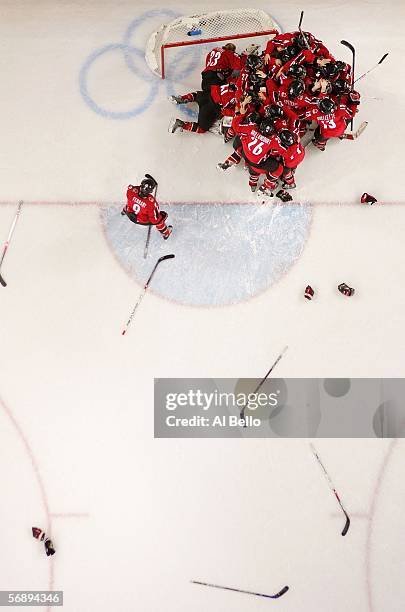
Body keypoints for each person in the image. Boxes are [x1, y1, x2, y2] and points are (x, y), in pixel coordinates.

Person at [122, 175, 172, 239]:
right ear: (151, 191)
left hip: (129, 214)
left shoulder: (131, 191)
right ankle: (165, 233)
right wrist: (162, 218)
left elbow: (134, 188)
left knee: (130, 202)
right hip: (141, 220)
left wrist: (144, 185)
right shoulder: (151, 202)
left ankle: (123, 212)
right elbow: (154, 220)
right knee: (160, 218)